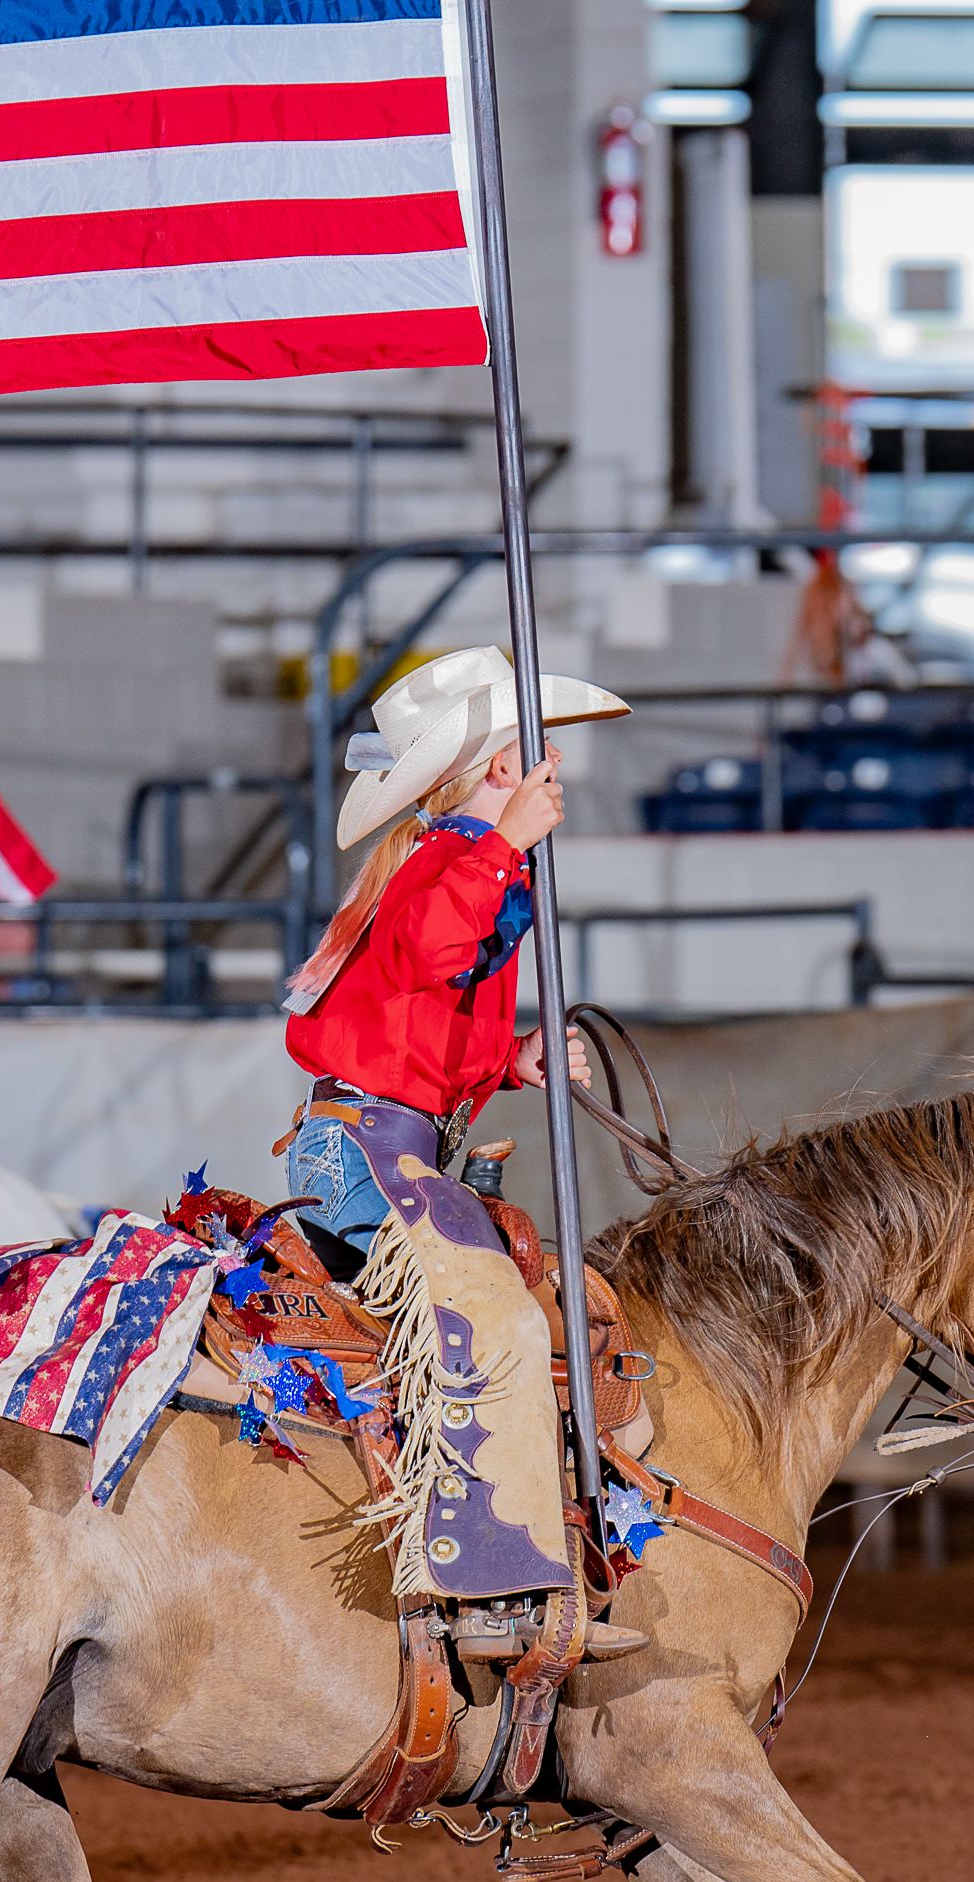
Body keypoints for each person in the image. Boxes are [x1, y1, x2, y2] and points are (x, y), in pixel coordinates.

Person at [281, 646, 642, 1664]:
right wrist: (505, 843)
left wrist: (509, 1060)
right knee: (494, 1322)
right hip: (366, 1148)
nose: (553, 768)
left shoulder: (448, 862)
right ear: (501, 769)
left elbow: (416, 1012)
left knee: (515, 1311)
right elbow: (433, 951)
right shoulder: (453, 859)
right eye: (537, 752)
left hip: (381, 1138)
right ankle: (482, 1583)